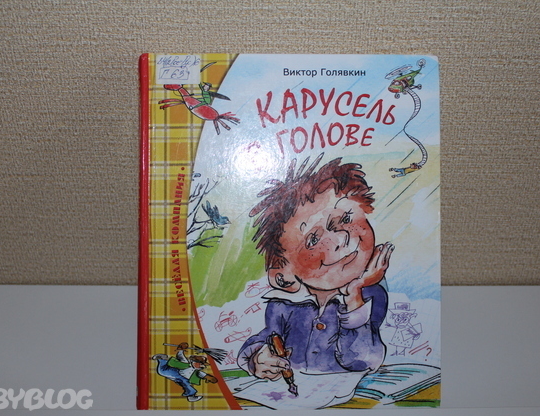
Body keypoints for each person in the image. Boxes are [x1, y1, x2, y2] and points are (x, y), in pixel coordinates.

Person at [237, 156, 394, 380]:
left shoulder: (370, 294)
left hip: (352, 393)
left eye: (347, 218)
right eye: (313, 239)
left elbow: (364, 360)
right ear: (283, 276)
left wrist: (354, 296)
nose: (342, 238)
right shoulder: (282, 303)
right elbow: (269, 337)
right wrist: (257, 357)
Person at [152, 343, 218, 402]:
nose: (202, 366)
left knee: (187, 385)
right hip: (176, 373)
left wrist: (209, 377)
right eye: (200, 363)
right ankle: (162, 358)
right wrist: (181, 349)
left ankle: (191, 397)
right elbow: (180, 356)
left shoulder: (197, 371)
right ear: (194, 361)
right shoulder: (186, 362)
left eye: (202, 364)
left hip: (183, 378)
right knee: (162, 371)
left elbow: (204, 375)